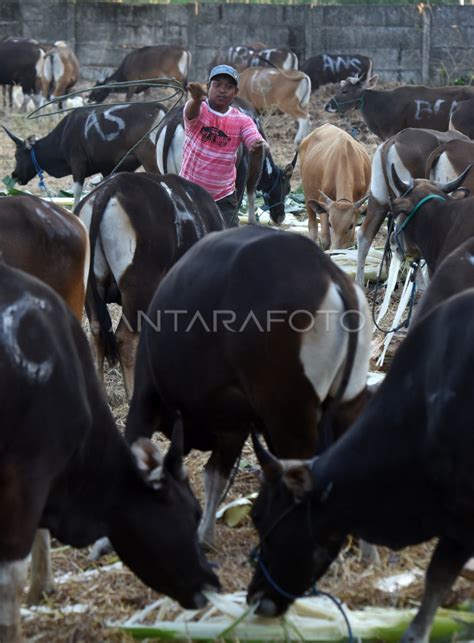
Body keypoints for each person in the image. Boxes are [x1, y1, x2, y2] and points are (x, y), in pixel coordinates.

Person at [179, 64, 268, 227]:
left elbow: (253, 138)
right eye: (217, 85)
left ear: (236, 92)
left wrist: (257, 145)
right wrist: (197, 99)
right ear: (208, 87)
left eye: (229, 87)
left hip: (223, 198)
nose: (222, 90)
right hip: (189, 193)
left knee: (227, 242)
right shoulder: (200, 110)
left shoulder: (242, 120)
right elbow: (191, 112)